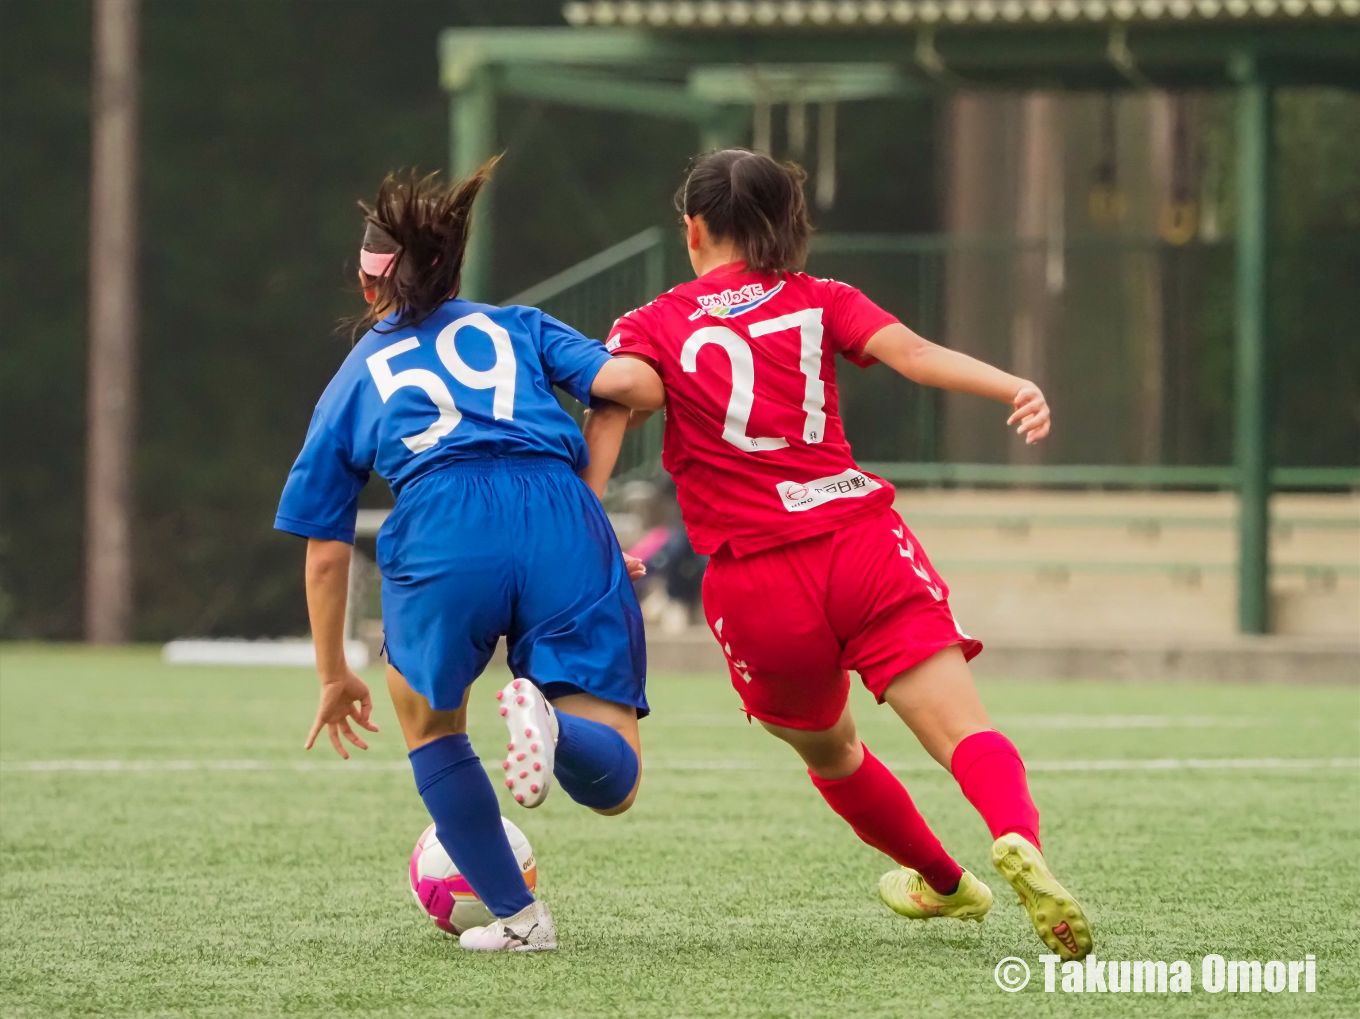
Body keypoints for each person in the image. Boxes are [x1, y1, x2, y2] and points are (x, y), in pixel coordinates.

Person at [586, 148, 1093, 961]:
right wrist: (1012, 387)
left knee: (835, 750)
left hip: (754, 580)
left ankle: (942, 878)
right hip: (861, 543)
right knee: (964, 729)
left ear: (694, 230)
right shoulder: (820, 297)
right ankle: (1015, 834)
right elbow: (916, 355)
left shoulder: (651, 324)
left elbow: (612, 405)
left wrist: (589, 535)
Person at [274, 162, 663, 953]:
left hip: (442, 522)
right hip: (559, 512)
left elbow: (324, 553)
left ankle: (521, 922)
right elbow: (630, 386)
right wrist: (621, 391)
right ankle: (551, 723)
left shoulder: (354, 376)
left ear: (368, 287)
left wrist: (333, 673)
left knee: (432, 726)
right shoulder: (517, 324)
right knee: (616, 778)